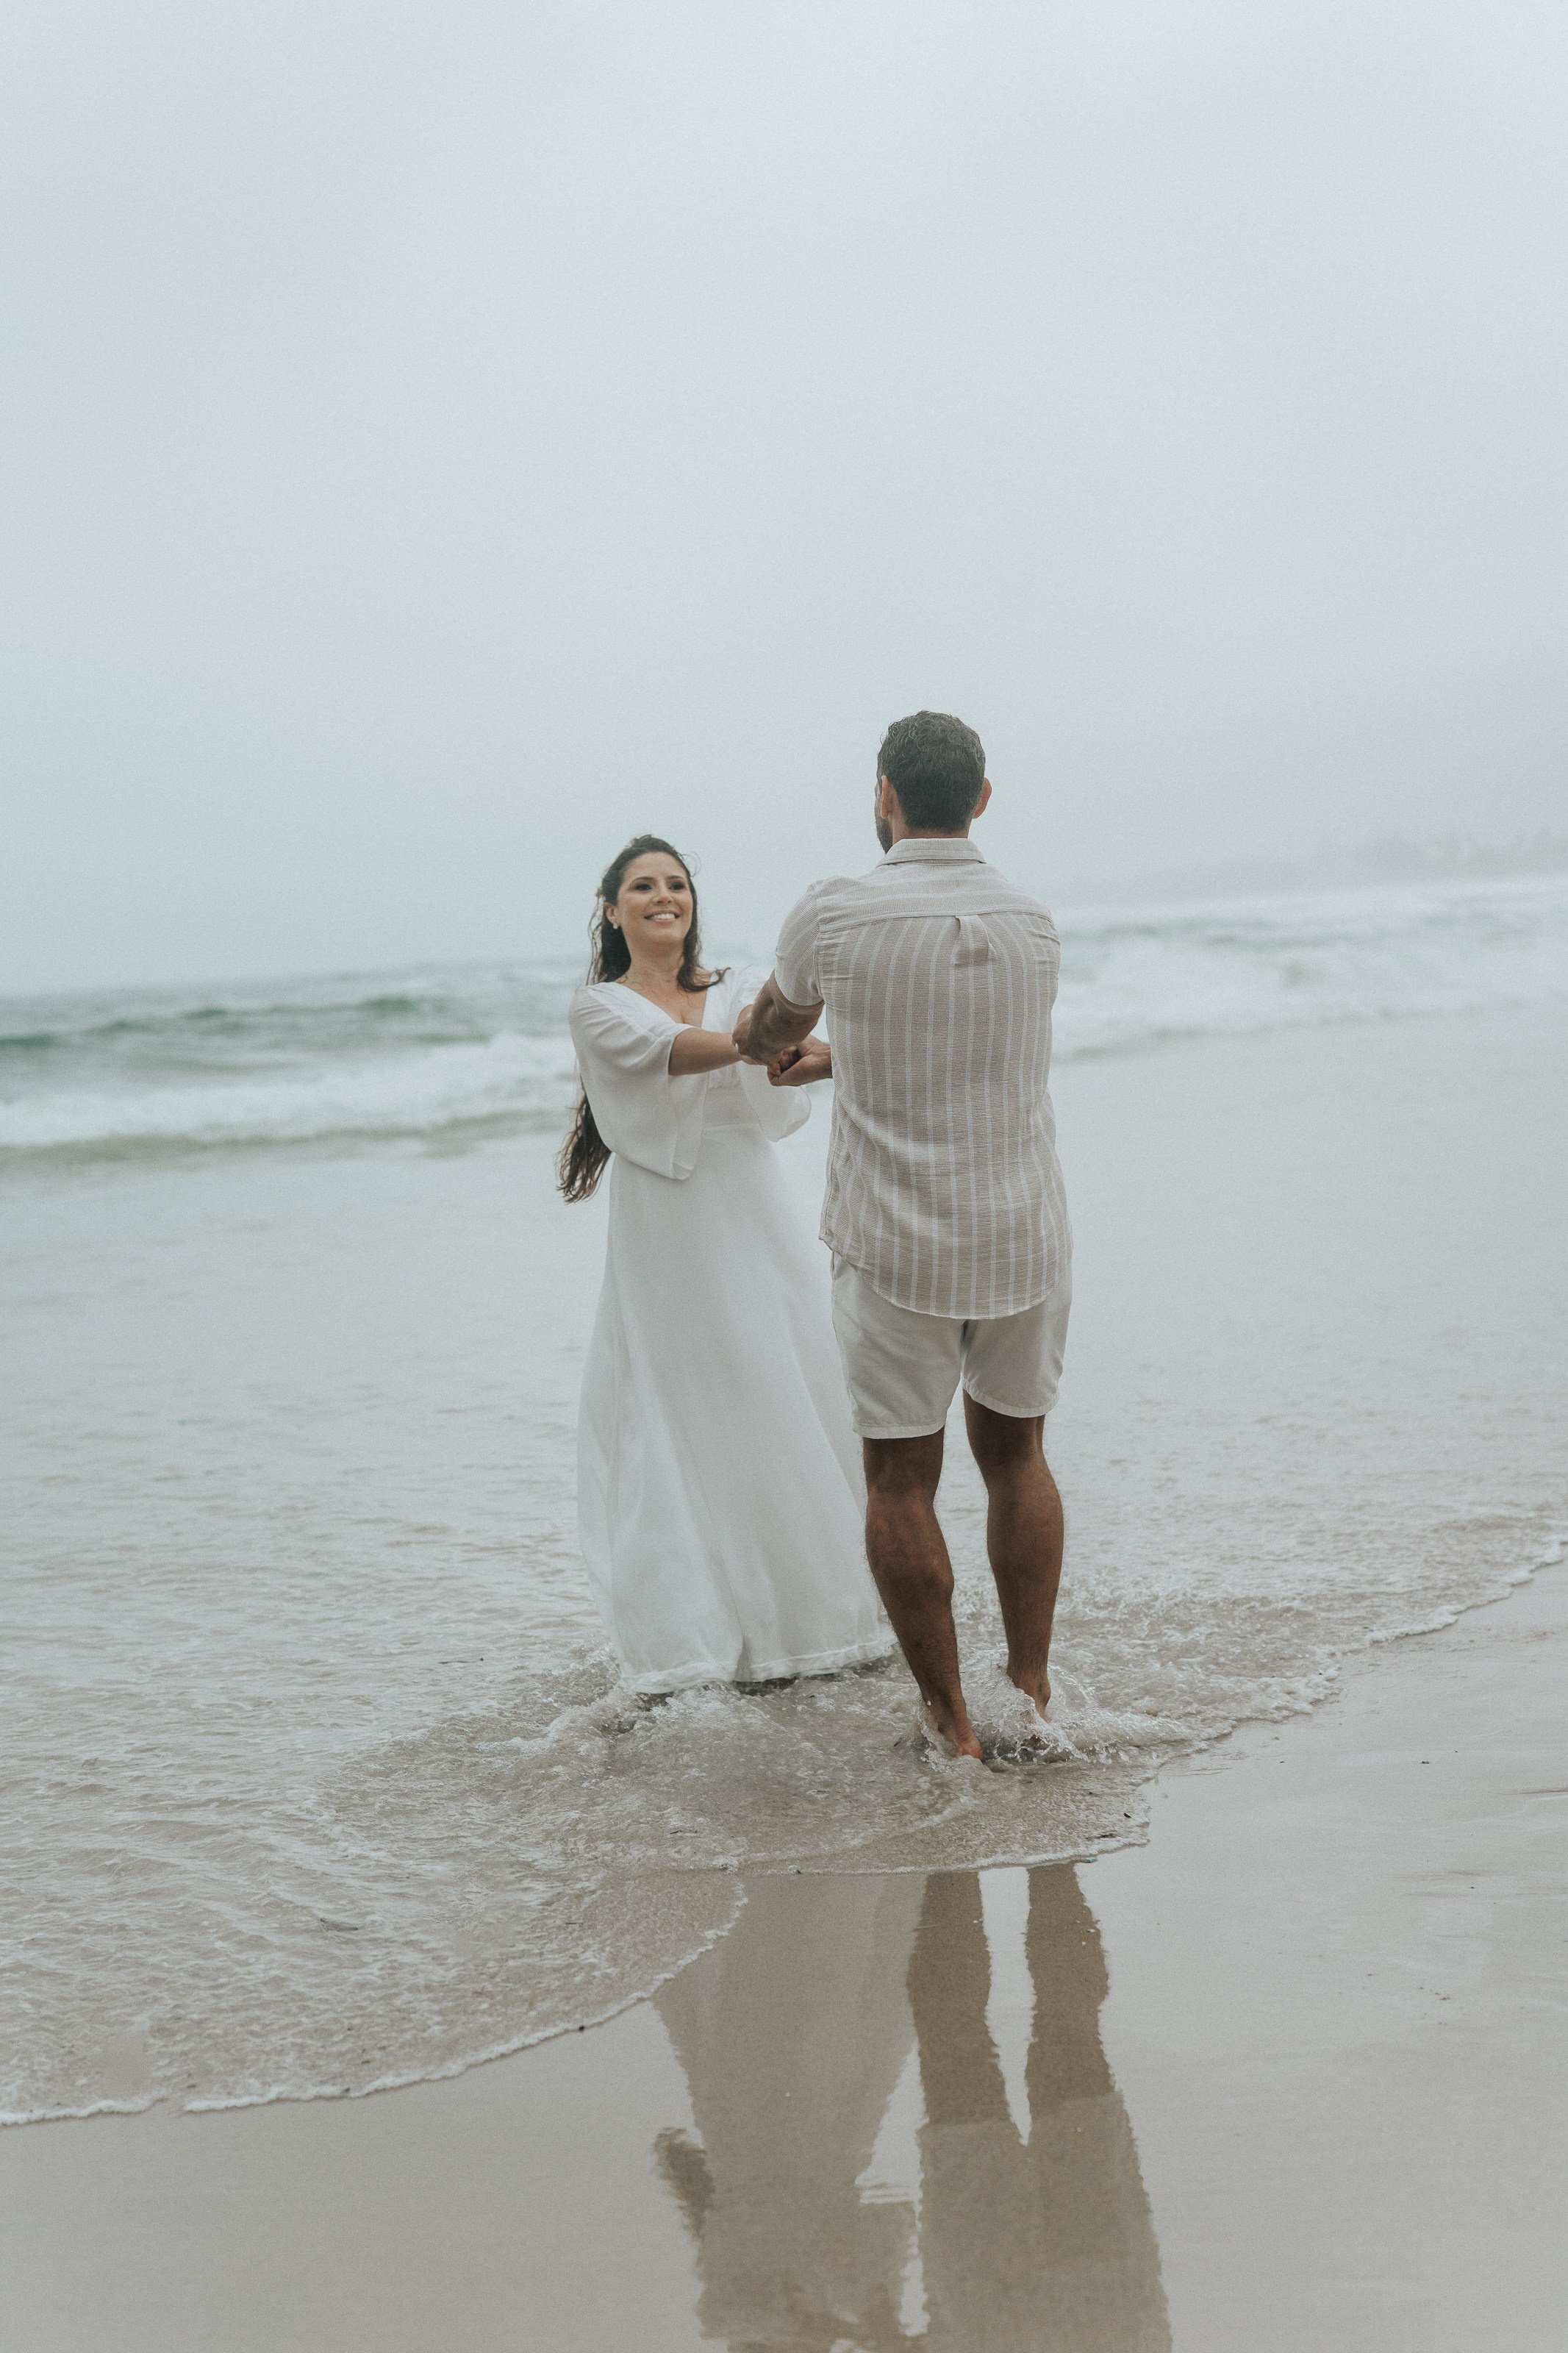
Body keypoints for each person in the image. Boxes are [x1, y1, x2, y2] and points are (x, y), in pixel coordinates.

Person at [737, 712, 1073, 1760]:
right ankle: (1030, 1690)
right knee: (1016, 1454)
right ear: (980, 797)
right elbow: (966, 1052)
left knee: (898, 1479)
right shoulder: (1031, 918)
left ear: (884, 794)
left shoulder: (837, 912)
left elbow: (771, 1030)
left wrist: (777, 1042)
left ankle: (951, 1723)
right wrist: (854, 1058)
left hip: (897, 1240)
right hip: (1024, 1229)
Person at [559, 833, 889, 1693]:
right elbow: (673, 1052)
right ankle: (702, 1633)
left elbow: (779, 1062)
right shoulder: (601, 1006)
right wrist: (756, 1041)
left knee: (787, 1378)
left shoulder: (739, 987)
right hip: (667, 1226)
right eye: (642, 885)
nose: (663, 895)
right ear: (612, 907)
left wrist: (812, 1052)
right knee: (684, 1399)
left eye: (676, 883)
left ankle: (828, 1614)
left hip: (751, 1206)